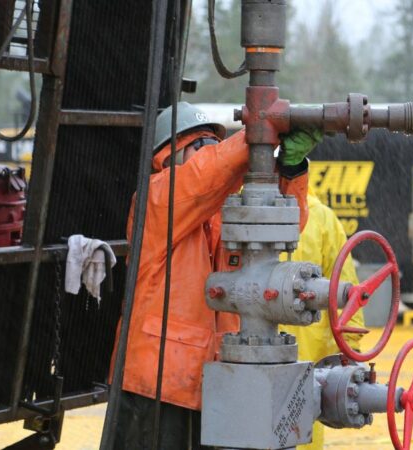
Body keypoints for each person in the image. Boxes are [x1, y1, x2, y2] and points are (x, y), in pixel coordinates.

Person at [110, 102, 322, 449]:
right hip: (156, 387)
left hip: (218, 384)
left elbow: (279, 227)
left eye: (213, 143)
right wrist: (255, 136)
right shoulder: (156, 199)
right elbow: (202, 178)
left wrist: (292, 169)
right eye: (201, 144)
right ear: (169, 155)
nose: (210, 152)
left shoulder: (221, 216)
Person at [279, 192, 363, 450]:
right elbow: (347, 288)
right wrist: (350, 345)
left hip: (274, 360)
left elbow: (346, 290)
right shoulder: (321, 217)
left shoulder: (234, 211)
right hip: (308, 361)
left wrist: (350, 346)